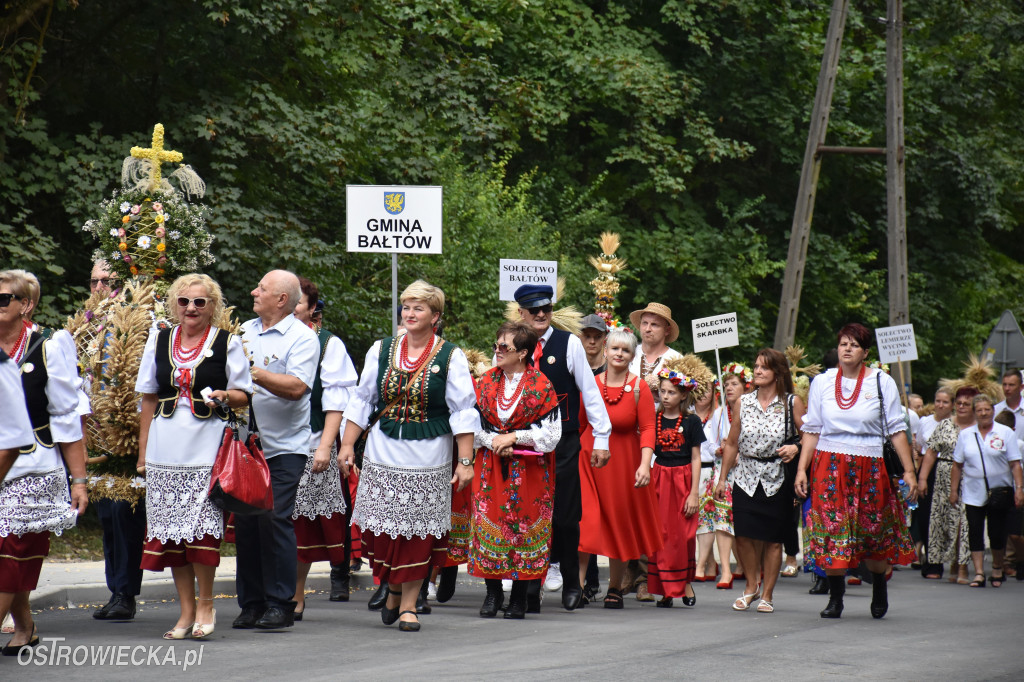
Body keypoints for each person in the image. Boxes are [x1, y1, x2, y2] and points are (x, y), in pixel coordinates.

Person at [340, 280, 478, 632]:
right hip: (383, 450)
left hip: (429, 454)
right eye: (407, 306)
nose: (411, 313)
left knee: (417, 533)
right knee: (384, 533)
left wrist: (465, 462)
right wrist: (346, 445)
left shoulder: (451, 356)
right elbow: (362, 399)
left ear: (436, 316)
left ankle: (409, 605)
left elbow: (463, 411)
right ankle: (394, 588)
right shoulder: (381, 350)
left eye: (419, 307)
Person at [135, 273, 251, 639]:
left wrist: (223, 395)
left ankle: (206, 603)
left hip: (206, 445)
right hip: (165, 446)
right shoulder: (160, 339)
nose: (191, 308)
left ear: (212, 307)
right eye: (184, 301)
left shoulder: (226, 342)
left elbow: (245, 394)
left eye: (200, 302)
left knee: (201, 530)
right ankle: (185, 612)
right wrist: (142, 453)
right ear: (174, 305)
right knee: (171, 534)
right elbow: (149, 398)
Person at [795, 323, 918, 620]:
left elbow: (896, 430)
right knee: (833, 527)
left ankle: (878, 586)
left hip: (871, 464)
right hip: (828, 463)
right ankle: (836, 598)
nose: (847, 349)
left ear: (864, 352)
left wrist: (910, 472)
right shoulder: (823, 382)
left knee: (871, 531)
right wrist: (802, 468)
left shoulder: (881, 381)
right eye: (843, 344)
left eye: (854, 345)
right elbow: (811, 429)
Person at [0, 269, 89, 655]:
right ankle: (25, 625)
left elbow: (68, 418)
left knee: (13, 548)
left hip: (34, 467)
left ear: (26, 305)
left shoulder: (49, 346)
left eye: (3, 298)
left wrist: (79, 480)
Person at [514, 284, 611, 612]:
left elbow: (590, 391)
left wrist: (601, 437)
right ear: (520, 313)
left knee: (566, 518)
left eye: (546, 309)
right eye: (534, 310)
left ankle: (572, 580)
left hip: (563, 442)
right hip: (524, 443)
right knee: (526, 516)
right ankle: (528, 587)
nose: (541, 315)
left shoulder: (568, 343)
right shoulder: (514, 345)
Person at [234, 270, 320, 630]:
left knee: (273, 519)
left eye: (262, 288)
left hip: (284, 446)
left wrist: (251, 373)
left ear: (282, 299)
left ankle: (280, 603)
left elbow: (298, 387)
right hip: (242, 444)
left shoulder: (302, 338)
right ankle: (251, 603)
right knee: (246, 524)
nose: (254, 291)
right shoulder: (242, 332)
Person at [469, 321, 561, 619]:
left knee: (523, 526)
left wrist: (515, 437)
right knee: (490, 522)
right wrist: (495, 440)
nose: (497, 351)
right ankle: (493, 592)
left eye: (504, 347)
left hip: (529, 470)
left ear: (522, 353)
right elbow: (472, 425)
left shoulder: (541, 385)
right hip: (491, 466)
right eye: (496, 345)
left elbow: (552, 434)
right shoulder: (484, 383)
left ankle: (520, 596)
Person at [578, 328, 663, 609]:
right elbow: (580, 424)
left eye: (625, 350)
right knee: (585, 522)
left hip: (623, 464)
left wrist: (644, 464)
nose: (619, 354)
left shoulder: (640, 387)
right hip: (588, 461)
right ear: (605, 350)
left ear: (632, 356)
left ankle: (614, 587)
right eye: (614, 348)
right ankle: (577, 586)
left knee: (617, 524)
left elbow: (649, 428)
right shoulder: (589, 384)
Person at [717, 349, 804, 614]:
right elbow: (732, 442)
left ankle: (767, 594)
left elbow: (810, 435)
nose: (757, 371)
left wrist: (797, 447)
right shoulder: (743, 402)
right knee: (742, 535)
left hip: (777, 475)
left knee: (773, 540)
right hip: (745, 474)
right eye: (755, 366)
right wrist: (722, 478)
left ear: (778, 372)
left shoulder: (792, 402)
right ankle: (751, 586)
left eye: (764, 367)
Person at [291, 277, 358, 616]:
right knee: (266, 520)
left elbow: (339, 402)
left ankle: (295, 593)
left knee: (299, 522)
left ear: (312, 309)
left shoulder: (328, 345)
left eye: (297, 302)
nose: (290, 306)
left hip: (309, 441)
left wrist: (329, 446)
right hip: (263, 443)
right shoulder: (253, 336)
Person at [85, 259, 147, 623]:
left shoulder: (141, 319)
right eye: (93, 281)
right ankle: (117, 590)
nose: (98, 288)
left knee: (126, 514)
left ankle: (126, 591)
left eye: (106, 281)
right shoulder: (87, 326)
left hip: (130, 432)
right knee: (109, 515)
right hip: (97, 435)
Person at [623, 302, 682, 600]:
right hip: (625, 437)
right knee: (625, 503)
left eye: (655, 324)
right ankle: (627, 573)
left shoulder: (676, 360)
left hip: (659, 437)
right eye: (645, 323)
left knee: (649, 505)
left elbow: (687, 402)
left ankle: (645, 576)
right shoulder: (627, 353)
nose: (647, 329)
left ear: (666, 330)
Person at [647, 362, 706, 608]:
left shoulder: (691, 422)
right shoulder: (655, 418)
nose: (666, 396)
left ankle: (685, 583)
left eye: (672, 392)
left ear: (683, 395)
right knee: (660, 534)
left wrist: (694, 493)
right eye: (662, 391)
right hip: (659, 476)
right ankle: (664, 590)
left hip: (682, 479)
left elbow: (695, 457)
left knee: (683, 536)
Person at [950, 394, 1024, 588]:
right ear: (975, 413)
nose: (983, 413)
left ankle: (997, 567)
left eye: (987, 409)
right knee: (974, 531)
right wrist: (953, 490)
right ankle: (980, 573)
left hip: (1000, 491)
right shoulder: (966, 434)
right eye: (980, 410)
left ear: (993, 411)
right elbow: (957, 465)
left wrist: (1019, 489)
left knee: (996, 532)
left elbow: (1015, 464)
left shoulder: (1005, 432)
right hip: (973, 490)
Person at [707, 363, 753, 589]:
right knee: (722, 520)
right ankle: (725, 569)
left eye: (734, 384)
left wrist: (738, 450)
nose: (729, 388)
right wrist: (719, 449)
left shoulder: (753, 409)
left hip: (748, 471)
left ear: (746, 386)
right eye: (726, 385)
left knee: (744, 522)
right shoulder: (718, 413)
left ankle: (748, 565)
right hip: (724, 471)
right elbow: (709, 442)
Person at [916, 387, 969, 582]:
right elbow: (924, 449)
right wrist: (921, 477)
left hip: (958, 471)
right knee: (929, 518)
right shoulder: (926, 422)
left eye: (945, 402)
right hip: (933, 471)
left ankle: (958, 562)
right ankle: (932, 562)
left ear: (952, 405)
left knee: (956, 519)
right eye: (937, 401)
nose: (940, 405)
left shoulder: (963, 425)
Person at [693, 380, 720, 581]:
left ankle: (700, 564)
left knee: (706, 519)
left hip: (711, 470)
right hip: (691, 469)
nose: (702, 394)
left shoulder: (719, 415)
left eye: (707, 390)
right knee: (694, 518)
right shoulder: (688, 413)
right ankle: (710, 562)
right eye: (698, 390)